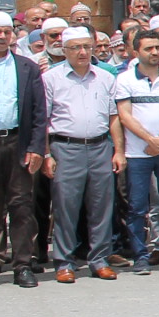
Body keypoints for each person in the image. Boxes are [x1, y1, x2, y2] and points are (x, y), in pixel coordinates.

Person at [43, 30, 122, 282]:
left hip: (100, 147)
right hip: (65, 148)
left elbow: (113, 118)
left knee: (101, 206)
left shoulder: (104, 78)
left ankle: (99, 259)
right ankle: (64, 262)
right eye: (76, 47)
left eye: (87, 46)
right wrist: (47, 154)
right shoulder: (51, 78)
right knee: (66, 207)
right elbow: (43, 120)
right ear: (64, 50)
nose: (82, 52)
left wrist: (118, 150)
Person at [112, 26, 159, 274]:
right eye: (149, 48)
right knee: (136, 207)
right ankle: (141, 256)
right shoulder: (124, 79)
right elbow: (124, 115)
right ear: (135, 51)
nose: (156, 52)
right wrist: (148, 139)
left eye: (158, 47)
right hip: (137, 153)